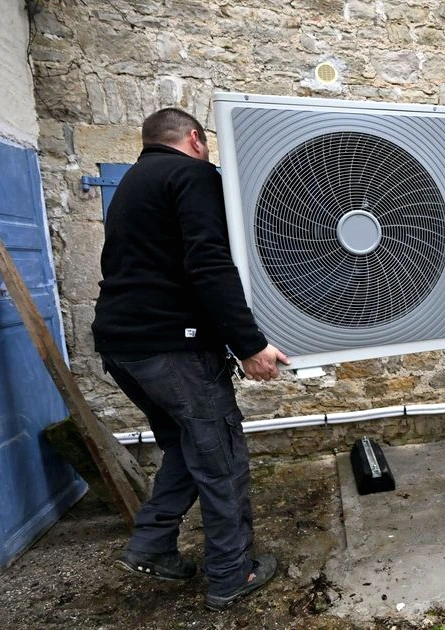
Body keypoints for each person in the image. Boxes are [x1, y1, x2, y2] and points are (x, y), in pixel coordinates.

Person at [92, 108, 290, 610]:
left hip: (123, 349)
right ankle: (232, 573)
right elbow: (207, 261)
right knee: (221, 459)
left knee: (185, 444)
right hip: (173, 350)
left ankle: (152, 545)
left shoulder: (135, 182)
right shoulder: (192, 174)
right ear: (197, 140)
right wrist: (249, 344)